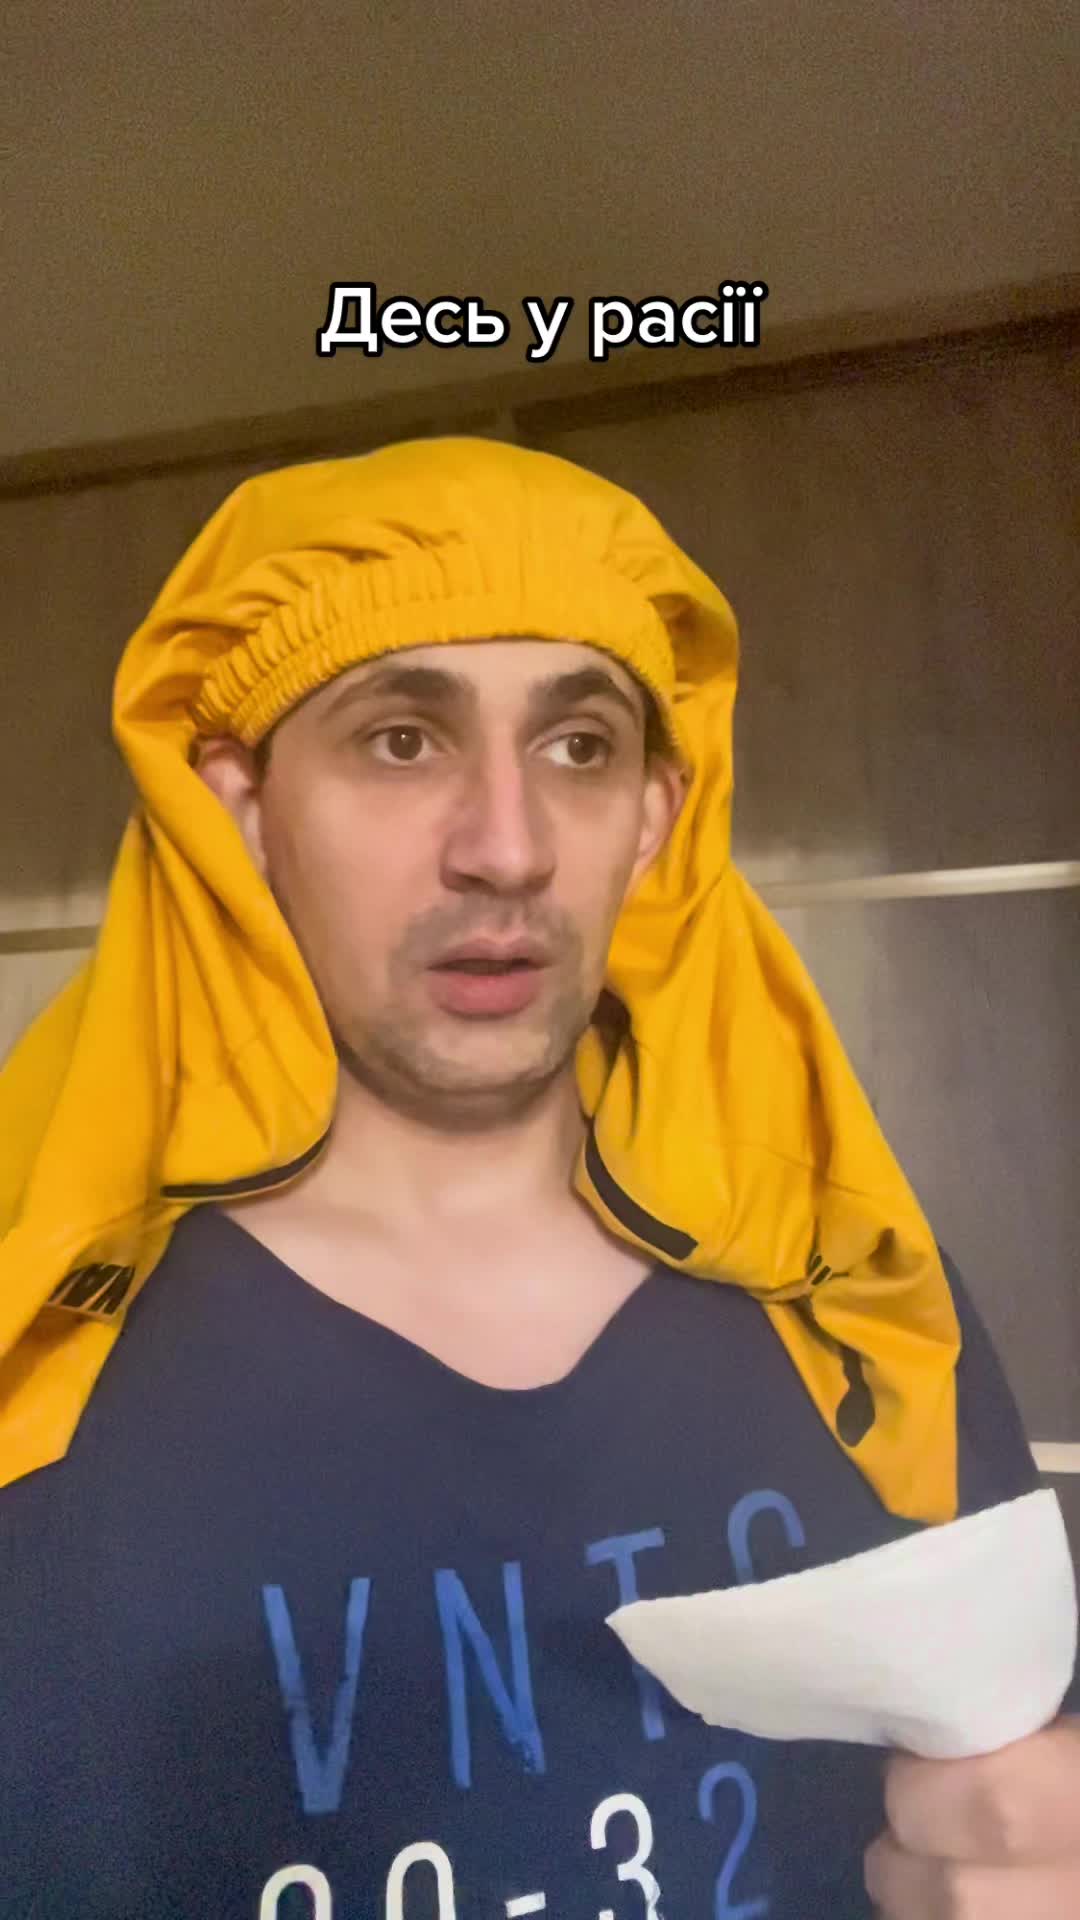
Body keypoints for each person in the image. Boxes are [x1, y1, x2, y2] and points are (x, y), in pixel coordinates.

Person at [0, 436, 1077, 1919]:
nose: (505, 849)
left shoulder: (858, 1310)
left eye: (579, 748)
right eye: (400, 740)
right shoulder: (42, 1347)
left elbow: (1018, 1792)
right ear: (239, 807)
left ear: (655, 816)